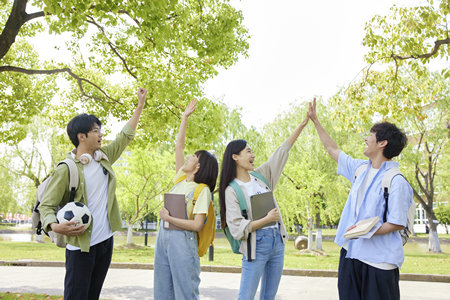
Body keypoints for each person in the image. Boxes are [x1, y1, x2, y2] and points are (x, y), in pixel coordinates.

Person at [39, 88, 148, 300]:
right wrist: (54, 226)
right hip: (80, 245)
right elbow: (46, 205)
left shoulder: (103, 157)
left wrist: (140, 106)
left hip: (105, 241)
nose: (101, 134)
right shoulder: (67, 168)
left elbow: (125, 136)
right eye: (96, 130)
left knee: (93, 296)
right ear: (82, 136)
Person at [308, 99, 413, 300]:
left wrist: (364, 231)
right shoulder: (360, 169)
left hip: (379, 262)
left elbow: (396, 222)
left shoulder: (396, 181)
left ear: (382, 143)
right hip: (350, 255)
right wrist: (315, 121)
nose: (366, 138)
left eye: (370, 135)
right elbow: (333, 149)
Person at [219, 113, 309, 300]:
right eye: (248, 151)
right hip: (256, 244)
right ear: (235, 157)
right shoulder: (232, 190)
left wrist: (301, 125)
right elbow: (237, 229)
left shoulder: (260, 177)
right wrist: (267, 220)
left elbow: (281, 153)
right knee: (246, 296)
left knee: (269, 296)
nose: (253, 155)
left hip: (277, 242)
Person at [154, 99, 219, 300]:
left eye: (193, 157)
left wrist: (169, 218)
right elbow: (178, 146)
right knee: (163, 292)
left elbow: (198, 225)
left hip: (183, 241)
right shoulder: (181, 179)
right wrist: (184, 118)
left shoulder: (202, 190)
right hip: (163, 239)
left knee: (185, 294)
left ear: (198, 167)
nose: (188, 157)